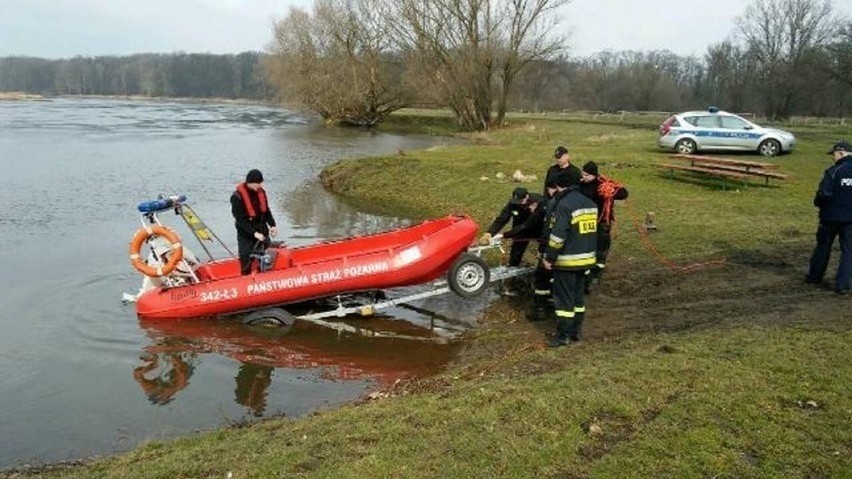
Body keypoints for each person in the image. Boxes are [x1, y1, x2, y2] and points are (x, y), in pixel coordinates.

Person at [542, 168, 598, 347]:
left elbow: (558, 237)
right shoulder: (590, 203)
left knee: (564, 299)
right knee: (578, 298)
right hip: (587, 259)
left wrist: (549, 258)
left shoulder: (564, 205)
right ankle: (576, 332)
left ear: (559, 185)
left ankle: (562, 336)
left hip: (567, 261)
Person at [805, 141, 852, 295]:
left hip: (830, 217)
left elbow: (824, 194)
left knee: (823, 247)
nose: (833, 157)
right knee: (848, 251)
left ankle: (815, 276)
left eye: (834, 154)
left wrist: (817, 202)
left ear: (840, 153)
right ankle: (842, 285)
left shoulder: (833, 171)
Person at [579, 161, 629, 292]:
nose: (583, 177)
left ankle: (596, 273)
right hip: (585, 222)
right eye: (582, 174)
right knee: (586, 248)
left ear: (594, 175)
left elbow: (623, 193)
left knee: (601, 249)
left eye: (586, 175)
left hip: (602, 223)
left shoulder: (603, 185)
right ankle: (585, 273)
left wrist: (611, 191)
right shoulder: (580, 185)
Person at [479, 187, 544, 267]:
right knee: (516, 252)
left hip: (538, 228)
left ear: (527, 197)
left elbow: (527, 225)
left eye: (520, 201)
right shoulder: (512, 204)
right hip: (519, 230)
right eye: (516, 201)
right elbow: (502, 218)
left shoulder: (539, 202)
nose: (518, 203)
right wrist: (489, 233)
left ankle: (543, 271)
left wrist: (504, 235)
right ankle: (513, 268)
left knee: (544, 252)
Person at [231, 169, 278, 275]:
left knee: (267, 257)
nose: (259, 186)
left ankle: (267, 276)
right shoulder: (236, 197)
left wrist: (273, 225)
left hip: (262, 230)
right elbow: (240, 220)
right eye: (258, 183)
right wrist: (254, 233)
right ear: (250, 182)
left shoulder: (261, 192)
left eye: (260, 183)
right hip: (246, 233)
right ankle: (246, 279)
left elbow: (266, 211)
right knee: (246, 259)